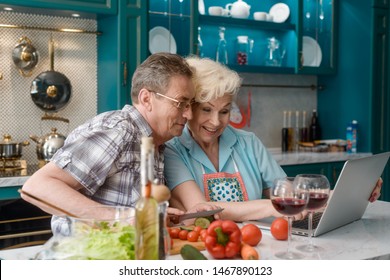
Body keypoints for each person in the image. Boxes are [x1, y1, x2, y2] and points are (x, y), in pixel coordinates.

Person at [164, 56, 383, 222]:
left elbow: (286, 192)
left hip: (261, 243)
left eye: (224, 111)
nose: (215, 122)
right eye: (206, 110)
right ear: (188, 108)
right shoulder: (173, 149)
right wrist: (273, 207)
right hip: (211, 248)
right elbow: (201, 208)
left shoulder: (247, 142)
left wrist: (348, 191)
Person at [21, 53, 196, 232]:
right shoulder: (120, 131)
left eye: (190, 104)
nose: (189, 115)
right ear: (146, 99)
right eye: (181, 103)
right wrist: (119, 219)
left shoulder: (155, 143)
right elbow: (36, 187)